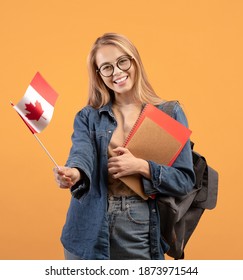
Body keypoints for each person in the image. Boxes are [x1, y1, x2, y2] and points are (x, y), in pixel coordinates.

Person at [53, 33, 195, 260]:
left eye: (122, 61)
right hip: (86, 227)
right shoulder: (88, 116)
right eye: (106, 67)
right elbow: (81, 153)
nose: (117, 72)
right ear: (98, 75)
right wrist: (74, 173)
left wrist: (141, 166)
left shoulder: (168, 113)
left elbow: (184, 181)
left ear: (134, 60)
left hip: (138, 224)